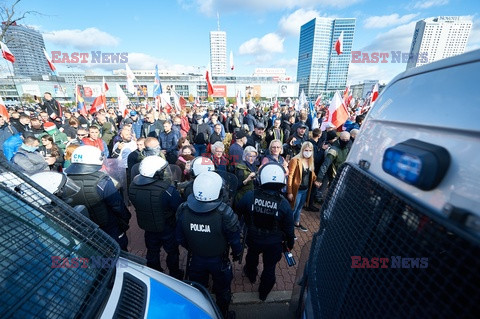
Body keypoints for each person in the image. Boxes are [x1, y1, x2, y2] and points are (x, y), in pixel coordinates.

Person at [176, 171, 241, 318]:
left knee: (197, 289)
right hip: (218, 261)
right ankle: (222, 314)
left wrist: (195, 246)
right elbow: (235, 239)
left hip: (196, 259)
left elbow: (180, 238)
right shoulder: (225, 212)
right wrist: (237, 253)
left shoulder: (183, 209)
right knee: (223, 290)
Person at [236, 163, 295, 301]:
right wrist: (290, 243)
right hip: (273, 243)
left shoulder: (250, 196)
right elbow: (289, 228)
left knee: (251, 258)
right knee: (270, 267)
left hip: (253, 238)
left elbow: (237, 212)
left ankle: (251, 274)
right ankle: (263, 293)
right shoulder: (284, 203)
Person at [65, 145, 131, 250]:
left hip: (83, 228)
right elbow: (117, 205)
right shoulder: (102, 181)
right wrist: (125, 218)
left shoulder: (65, 180)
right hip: (108, 227)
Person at [129, 156, 184, 279]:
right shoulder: (167, 190)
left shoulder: (133, 186)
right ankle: (174, 274)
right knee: (172, 252)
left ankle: (155, 273)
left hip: (148, 226)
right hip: (167, 227)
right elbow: (178, 207)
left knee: (152, 251)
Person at [287, 142, 320, 232]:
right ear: (302, 150)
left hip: (305, 189)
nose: (308, 152)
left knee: (299, 208)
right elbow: (290, 176)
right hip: (297, 190)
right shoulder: (295, 160)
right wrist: (289, 192)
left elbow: (311, 174)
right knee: (293, 208)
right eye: (306, 150)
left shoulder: (310, 160)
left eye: (310, 150)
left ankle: (296, 223)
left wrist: (316, 180)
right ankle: (288, 228)